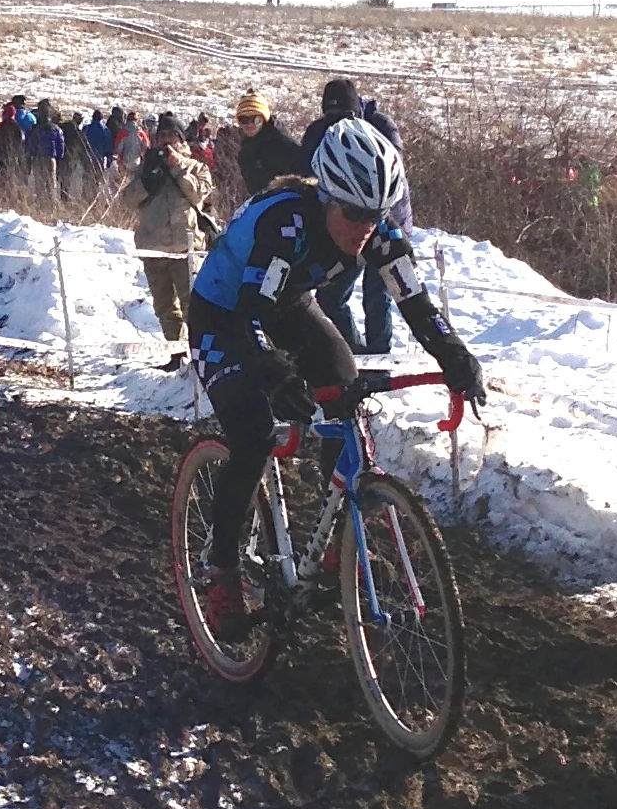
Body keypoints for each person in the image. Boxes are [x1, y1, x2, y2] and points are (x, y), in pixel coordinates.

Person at [186, 118, 485, 642]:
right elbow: (252, 318)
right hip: (226, 315)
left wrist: (454, 353)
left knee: (343, 383)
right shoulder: (286, 223)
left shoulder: (377, 234)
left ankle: (336, 538)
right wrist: (275, 372)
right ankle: (221, 565)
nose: (364, 228)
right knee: (253, 433)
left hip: (287, 306)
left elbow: (414, 302)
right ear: (327, 198)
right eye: (354, 215)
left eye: (376, 215)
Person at [303, 76, 400, 356]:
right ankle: (354, 351)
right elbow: (304, 173)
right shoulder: (318, 133)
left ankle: (380, 356)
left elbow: (391, 177)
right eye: (331, 115)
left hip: (385, 217)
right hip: (341, 223)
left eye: (344, 115)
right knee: (332, 297)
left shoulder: (380, 129)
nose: (337, 122)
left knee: (378, 292)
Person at [124, 113, 213, 363]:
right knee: (165, 307)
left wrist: (176, 167)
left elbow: (198, 195)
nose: (166, 141)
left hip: (185, 248)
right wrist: (148, 180)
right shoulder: (146, 165)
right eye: (162, 136)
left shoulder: (196, 167)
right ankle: (175, 354)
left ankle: (199, 356)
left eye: (172, 136)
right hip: (153, 247)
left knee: (191, 307)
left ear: (181, 139)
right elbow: (128, 200)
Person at [230, 88, 302, 200]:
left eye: (256, 119)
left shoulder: (282, 143)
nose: (250, 124)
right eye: (244, 119)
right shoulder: (246, 149)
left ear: (264, 119)